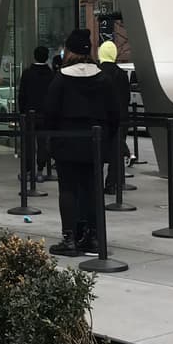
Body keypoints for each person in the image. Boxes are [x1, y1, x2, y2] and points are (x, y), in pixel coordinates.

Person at [44, 29, 119, 257]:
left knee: (68, 189)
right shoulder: (103, 79)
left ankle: (69, 238)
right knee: (92, 188)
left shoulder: (61, 79)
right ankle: (93, 237)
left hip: (67, 142)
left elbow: (50, 112)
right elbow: (114, 113)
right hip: (95, 144)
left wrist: (51, 138)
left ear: (69, 51)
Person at [97, 41, 133, 193]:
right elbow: (126, 98)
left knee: (97, 151)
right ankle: (112, 184)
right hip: (119, 119)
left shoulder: (96, 73)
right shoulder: (121, 74)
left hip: (100, 119)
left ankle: (96, 184)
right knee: (116, 153)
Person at [17, 46, 55, 186]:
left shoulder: (27, 73)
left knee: (28, 143)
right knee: (43, 143)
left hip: (29, 113)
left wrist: (22, 112)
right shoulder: (51, 74)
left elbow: (22, 95)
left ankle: (28, 171)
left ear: (34, 56)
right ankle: (40, 170)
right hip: (45, 114)